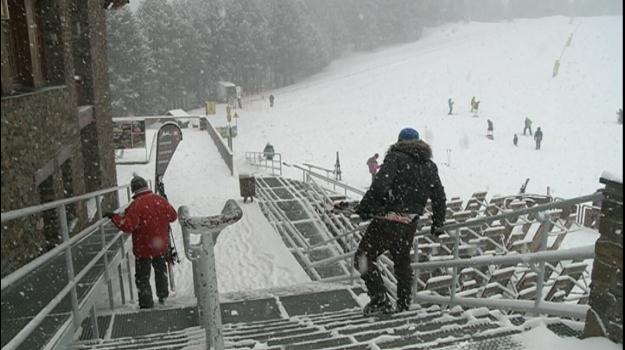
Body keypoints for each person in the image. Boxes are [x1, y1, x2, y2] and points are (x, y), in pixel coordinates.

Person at [355, 128, 447, 315]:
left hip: (390, 218)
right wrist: (438, 222)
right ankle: (404, 302)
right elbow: (438, 196)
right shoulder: (429, 165)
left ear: (399, 141)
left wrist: (365, 208)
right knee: (402, 261)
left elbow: (380, 185)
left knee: (363, 257)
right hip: (410, 222)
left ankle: (380, 299)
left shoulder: (396, 158)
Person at [105, 176, 177, 309]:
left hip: (143, 248)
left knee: (142, 277)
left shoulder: (135, 205)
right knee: (160, 271)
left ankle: (146, 303)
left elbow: (128, 226)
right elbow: (173, 216)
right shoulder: (159, 200)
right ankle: (163, 297)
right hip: (160, 246)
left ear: (133, 190)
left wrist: (114, 217)